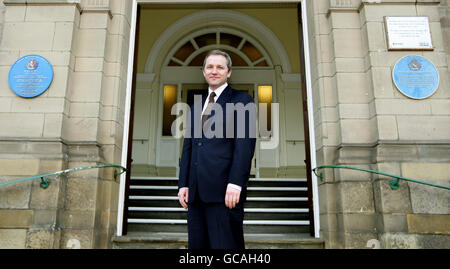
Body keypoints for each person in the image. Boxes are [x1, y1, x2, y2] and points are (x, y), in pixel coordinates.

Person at [177, 50, 256, 249]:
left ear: (228, 72)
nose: (214, 71)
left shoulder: (242, 100)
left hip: (225, 192)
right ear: (203, 72)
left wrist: (236, 183)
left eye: (220, 67)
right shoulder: (196, 104)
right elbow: (189, 146)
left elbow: (244, 145)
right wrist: (183, 183)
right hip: (195, 193)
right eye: (210, 67)